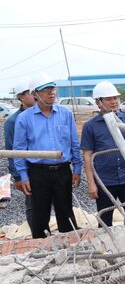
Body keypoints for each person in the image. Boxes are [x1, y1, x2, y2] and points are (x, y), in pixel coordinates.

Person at [13, 74, 81, 238]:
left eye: (53, 89)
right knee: (40, 215)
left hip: (63, 171)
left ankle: (70, 248)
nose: (52, 92)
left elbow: (74, 143)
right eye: (46, 90)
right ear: (35, 94)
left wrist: (77, 169)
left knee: (65, 211)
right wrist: (23, 175)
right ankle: (41, 250)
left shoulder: (65, 114)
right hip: (38, 173)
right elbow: (19, 149)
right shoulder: (24, 119)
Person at [81, 81, 125, 226]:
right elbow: (87, 156)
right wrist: (91, 183)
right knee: (105, 220)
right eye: (109, 99)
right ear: (98, 102)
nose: (114, 102)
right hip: (105, 181)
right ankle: (107, 248)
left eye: (115, 98)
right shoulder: (90, 126)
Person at [4, 79, 35, 227]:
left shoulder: (43, 114)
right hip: (27, 171)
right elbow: (11, 150)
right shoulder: (12, 122)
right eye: (30, 93)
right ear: (21, 97)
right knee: (33, 204)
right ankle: (38, 235)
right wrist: (17, 176)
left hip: (47, 168)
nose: (34, 95)